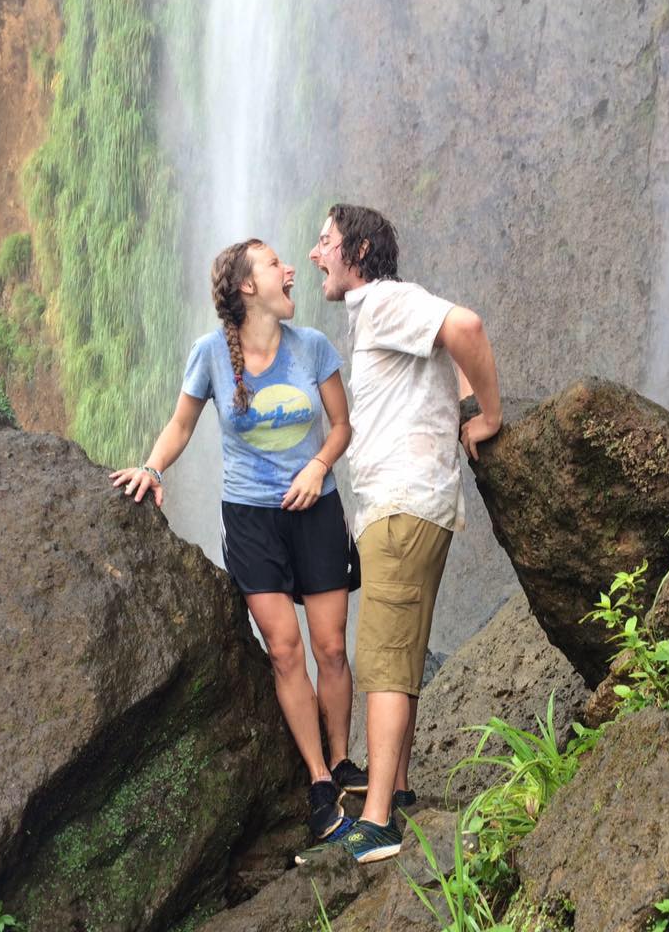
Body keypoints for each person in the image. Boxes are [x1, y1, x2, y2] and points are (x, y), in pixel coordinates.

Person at [110, 238, 367, 841]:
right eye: (276, 264)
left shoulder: (313, 348)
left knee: (330, 647)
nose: (289, 269)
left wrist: (319, 466)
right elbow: (180, 424)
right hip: (251, 519)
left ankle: (341, 757)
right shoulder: (209, 355)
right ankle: (319, 782)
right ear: (249, 287)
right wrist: (150, 468)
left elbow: (342, 426)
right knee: (284, 650)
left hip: (317, 509)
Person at [296, 204, 502, 864]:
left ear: (355, 249)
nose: (314, 254)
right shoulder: (383, 310)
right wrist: (464, 409)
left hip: (401, 508)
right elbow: (452, 345)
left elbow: (466, 326)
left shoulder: (382, 300)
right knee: (402, 656)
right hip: (416, 504)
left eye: (324, 242)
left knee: (382, 661)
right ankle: (401, 789)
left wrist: (489, 416)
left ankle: (379, 819)